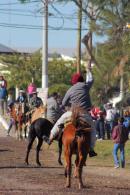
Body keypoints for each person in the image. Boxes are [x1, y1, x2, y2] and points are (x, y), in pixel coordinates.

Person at [46, 68, 97, 157]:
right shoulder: (85, 86)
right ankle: (91, 149)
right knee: (93, 130)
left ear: (73, 81)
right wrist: (88, 71)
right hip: (84, 114)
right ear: (82, 80)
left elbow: (63, 103)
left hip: (72, 113)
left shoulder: (70, 89)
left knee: (59, 122)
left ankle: (50, 138)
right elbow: (91, 80)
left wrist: (69, 103)